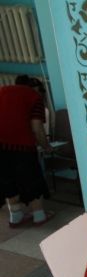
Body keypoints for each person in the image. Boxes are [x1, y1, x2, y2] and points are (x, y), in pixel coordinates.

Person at [0, 75, 54, 227]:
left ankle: (15, 217)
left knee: (7, 180)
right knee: (31, 180)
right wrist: (46, 146)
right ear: (36, 88)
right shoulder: (34, 97)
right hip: (22, 147)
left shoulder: (2, 91)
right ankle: (39, 216)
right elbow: (37, 128)